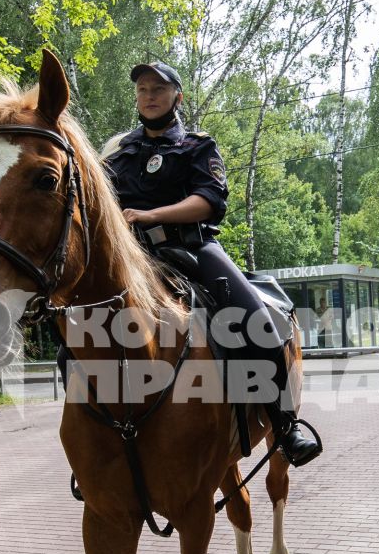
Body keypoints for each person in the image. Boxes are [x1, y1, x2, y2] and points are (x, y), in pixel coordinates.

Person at [102, 61, 321, 466]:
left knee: (260, 324)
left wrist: (151, 215)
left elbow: (208, 201)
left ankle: (284, 425)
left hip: (191, 249)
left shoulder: (197, 145)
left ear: (177, 97)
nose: (148, 97)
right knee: (78, 329)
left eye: (158, 90)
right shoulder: (117, 152)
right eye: (143, 90)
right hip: (130, 256)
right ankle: (98, 442)